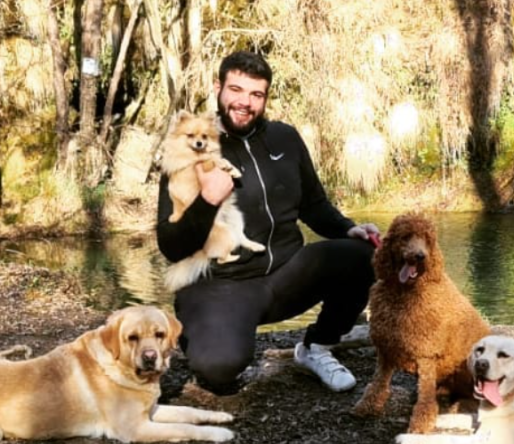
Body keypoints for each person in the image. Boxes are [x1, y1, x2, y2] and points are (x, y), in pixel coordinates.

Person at [156, 50, 379, 395]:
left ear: (265, 97)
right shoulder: (191, 147)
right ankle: (205, 332)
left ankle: (316, 347)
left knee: (365, 255)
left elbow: (313, 204)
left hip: (287, 275)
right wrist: (207, 202)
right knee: (217, 368)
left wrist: (347, 228)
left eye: (256, 94)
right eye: (236, 90)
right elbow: (170, 245)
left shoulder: (284, 138)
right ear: (217, 87)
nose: (245, 102)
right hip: (223, 284)